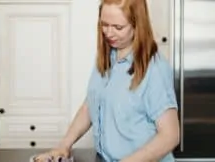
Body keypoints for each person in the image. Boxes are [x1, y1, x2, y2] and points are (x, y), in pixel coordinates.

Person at [34, 0, 180, 161]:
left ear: (138, 24)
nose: (109, 33)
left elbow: (170, 135)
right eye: (104, 24)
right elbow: (90, 105)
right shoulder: (106, 57)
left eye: (118, 27)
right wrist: (64, 146)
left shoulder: (155, 69)